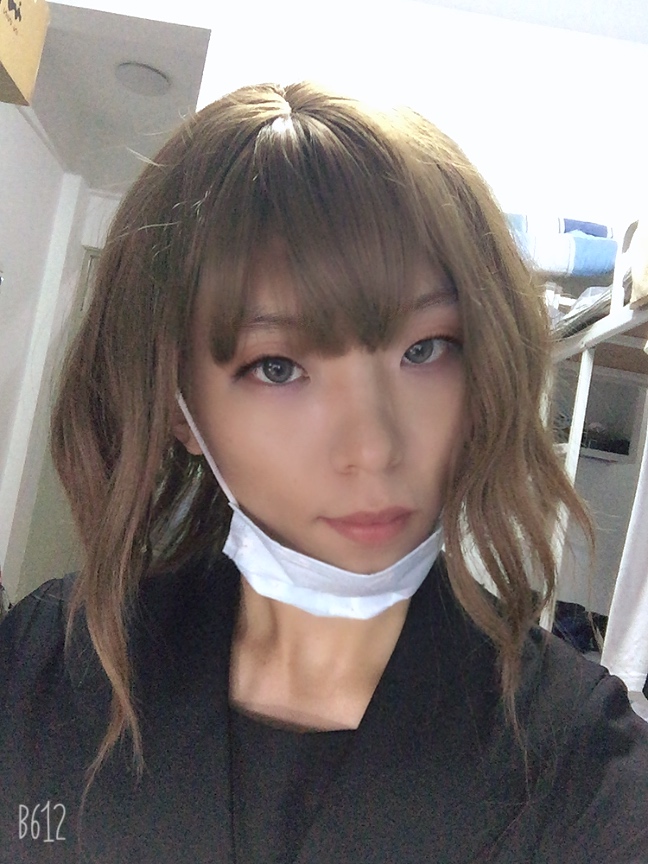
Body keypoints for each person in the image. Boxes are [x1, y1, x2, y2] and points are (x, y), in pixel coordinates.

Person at [1, 81, 647, 864]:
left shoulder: (582, 762)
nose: (372, 448)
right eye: (277, 366)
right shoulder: (43, 669)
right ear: (179, 407)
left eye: (425, 350)